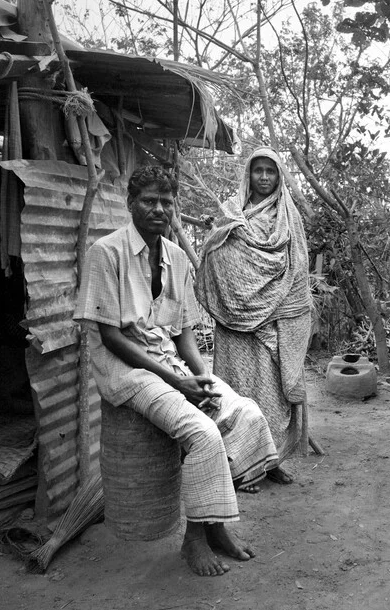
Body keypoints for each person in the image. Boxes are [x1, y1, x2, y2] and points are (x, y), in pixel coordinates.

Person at [74, 165, 280, 576]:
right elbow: (112, 338)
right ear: (130, 204)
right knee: (203, 434)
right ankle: (195, 540)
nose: (159, 209)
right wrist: (178, 382)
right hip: (125, 371)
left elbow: (185, 332)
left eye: (166, 202)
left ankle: (216, 526)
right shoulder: (106, 253)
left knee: (247, 414)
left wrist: (201, 379)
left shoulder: (177, 259)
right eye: (149, 201)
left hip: (170, 362)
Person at [195, 147, 312, 485]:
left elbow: (299, 268)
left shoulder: (289, 218)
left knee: (272, 395)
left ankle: (271, 462)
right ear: (249, 174)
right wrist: (239, 300)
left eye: (270, 171)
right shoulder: (231, 213)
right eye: (258, 170)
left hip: (273, 325)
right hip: (234, 324)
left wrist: (273, 308)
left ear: (279, 176)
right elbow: (215, 258)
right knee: (235, 396)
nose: (264, 177)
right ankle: (236, 467)